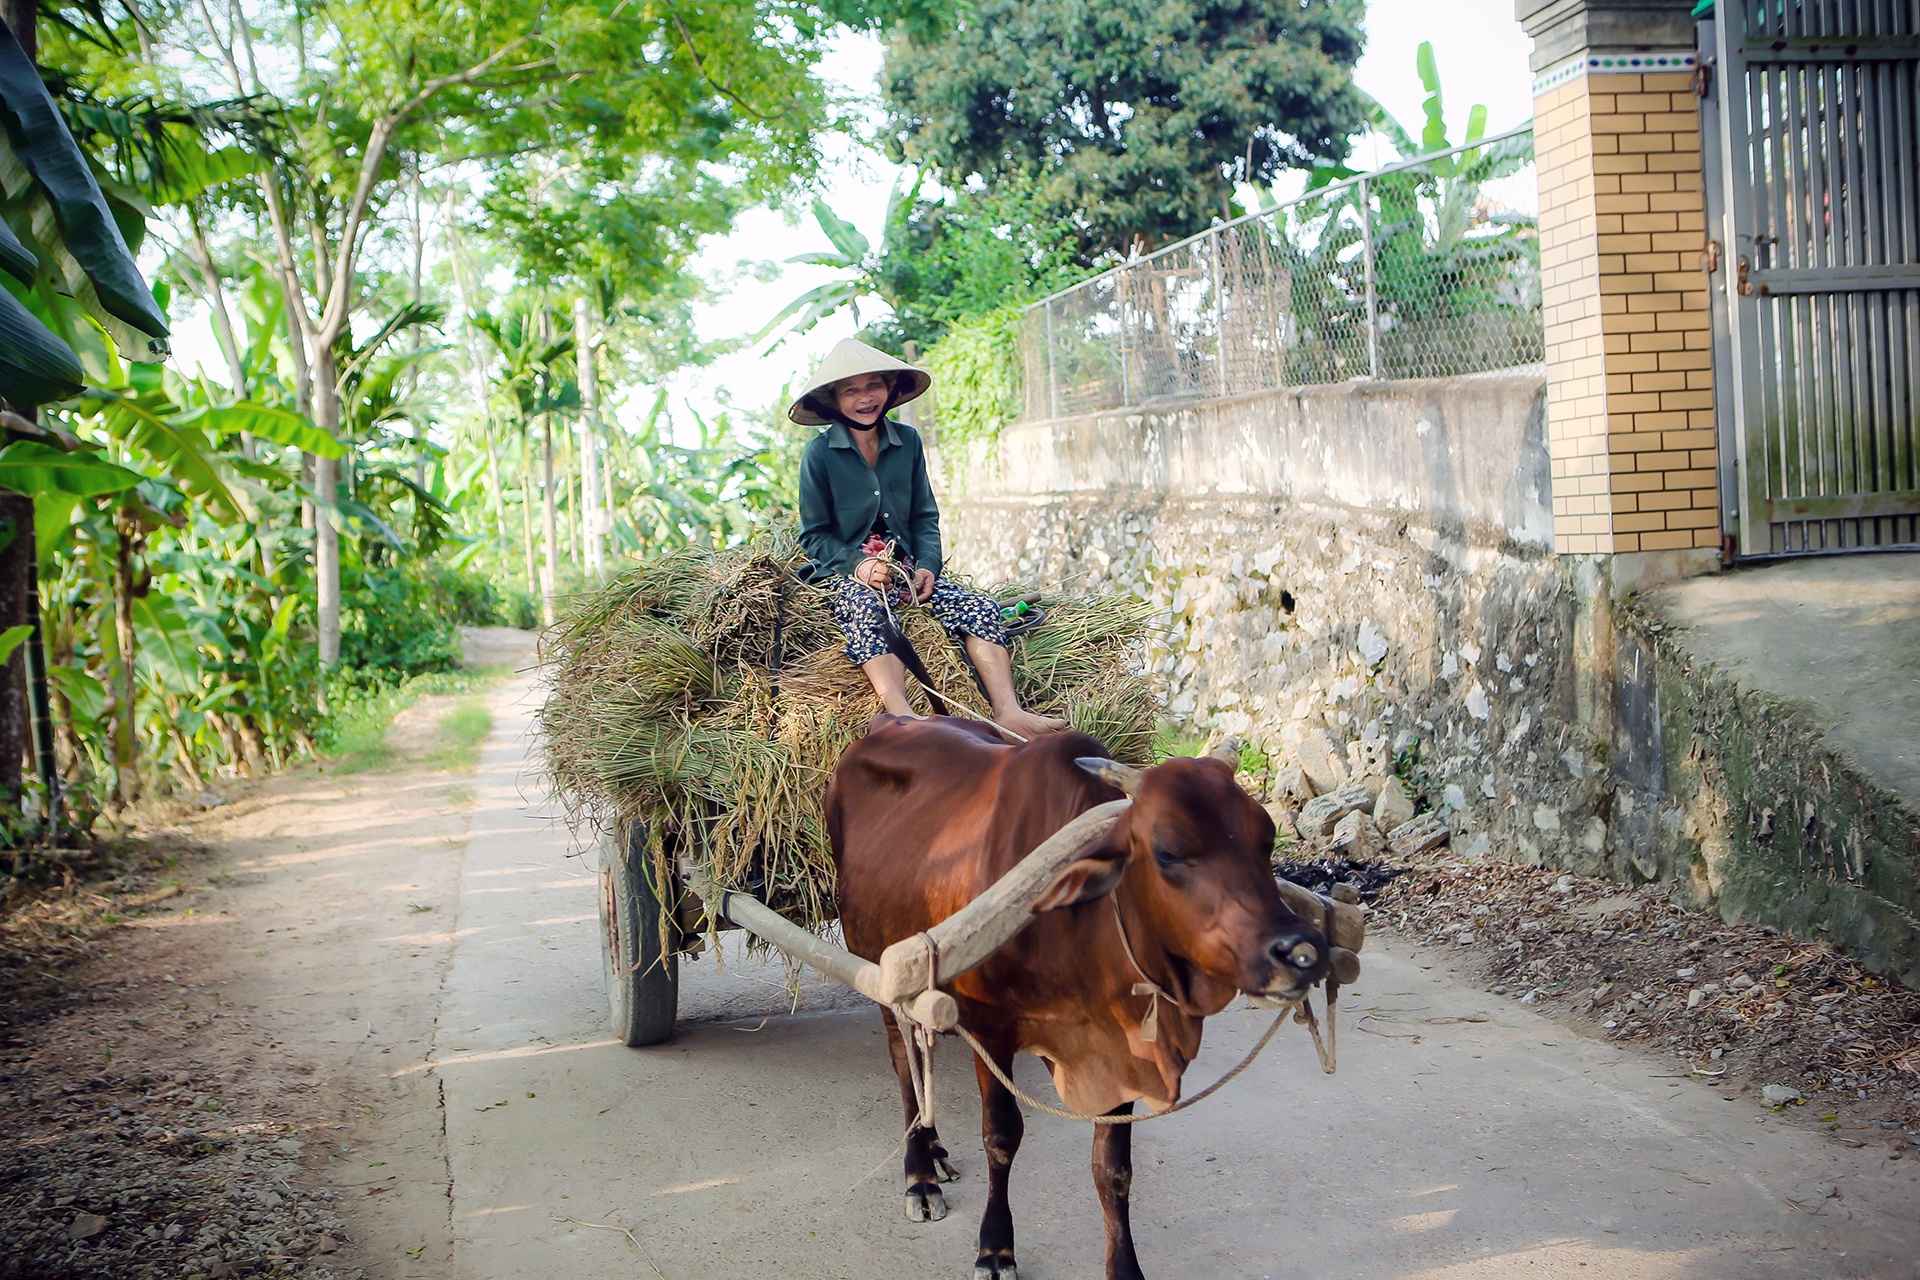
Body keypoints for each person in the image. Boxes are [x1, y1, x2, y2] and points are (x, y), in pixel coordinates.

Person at [792, 338, 1066, 740]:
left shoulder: (908, 442)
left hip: (904, 570)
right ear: (834, 400)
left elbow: (924, 517)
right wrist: (860, 566)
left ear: (888, 390)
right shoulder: (819, 454)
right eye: (851, 390)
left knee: (977, 606)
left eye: (874, 386)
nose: (865, 398)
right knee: (868, 608)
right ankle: (903, 716)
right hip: (846, 573)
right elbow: (814, 536)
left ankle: (1008, 710)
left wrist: (927, 567)